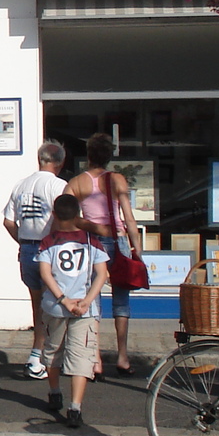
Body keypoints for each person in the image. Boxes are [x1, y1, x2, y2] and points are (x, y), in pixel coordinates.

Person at [66, 132, 144, 377]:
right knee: (121, 300)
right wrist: (137, 250)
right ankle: (122, 356)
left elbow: (65, 214)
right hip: (118, 240)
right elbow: (129, 218)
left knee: (93, 299)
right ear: (109, 156)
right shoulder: (118, 180)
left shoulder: (78, 182)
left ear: (88, 156)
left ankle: (95, 358)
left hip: (92, 243)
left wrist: (91, 226)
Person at [35, 194, 109, 429]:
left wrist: (63, 299)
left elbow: (45, 274)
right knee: (81, 355)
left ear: (54, 214)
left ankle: (55, 391)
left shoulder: (48, 242)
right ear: (79, 215)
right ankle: (75, 407)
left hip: (57, 306)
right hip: (84, 308)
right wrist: (87, 300)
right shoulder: (91, 241)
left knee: (53, 349)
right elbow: (102, 273)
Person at [2, 141, 69, 381]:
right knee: (60, 303)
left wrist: (22, 241)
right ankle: (53, 357)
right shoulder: (58, 185)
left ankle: (36, 355)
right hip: (49, 248)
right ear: (60, 163)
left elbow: (8, 221)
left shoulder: (21, 185)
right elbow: (64, 219)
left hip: (28, 247)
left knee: (37, 305)